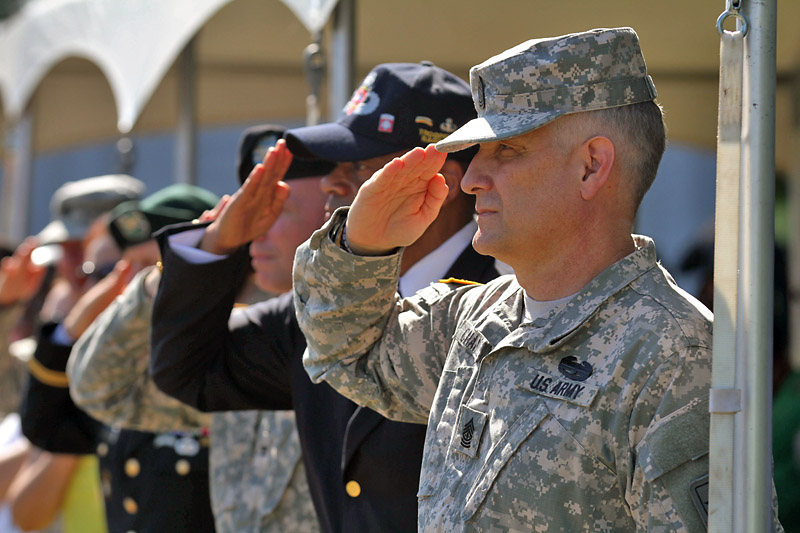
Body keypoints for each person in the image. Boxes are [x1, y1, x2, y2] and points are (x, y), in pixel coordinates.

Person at [290, 28, 775, 531]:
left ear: (591, 166)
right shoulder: (480, 318)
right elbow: (348, 354)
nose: (472, 177)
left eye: (506, 150)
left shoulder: (673, 356)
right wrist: (360, 246)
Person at [148, 62, 501, 532]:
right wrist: (218, 244)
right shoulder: (314, 309)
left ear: (444, 180)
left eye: (359, 166)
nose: (332, 184)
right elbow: (188, 371)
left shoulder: (504, 305)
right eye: (336, 166)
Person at [68, 125, 331, 532]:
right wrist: (176, 269)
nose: (255, 229)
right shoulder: (238, 339)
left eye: (277, 210)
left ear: (333, 212)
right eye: (249, 210)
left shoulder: (359, 336)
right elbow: (100, 387)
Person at [20, 185, 220, 533]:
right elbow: (45, 426)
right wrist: (73, 327)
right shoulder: (122, 371)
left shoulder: (228, 355)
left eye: (152, 267)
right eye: (126, 269)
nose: (133, 287)